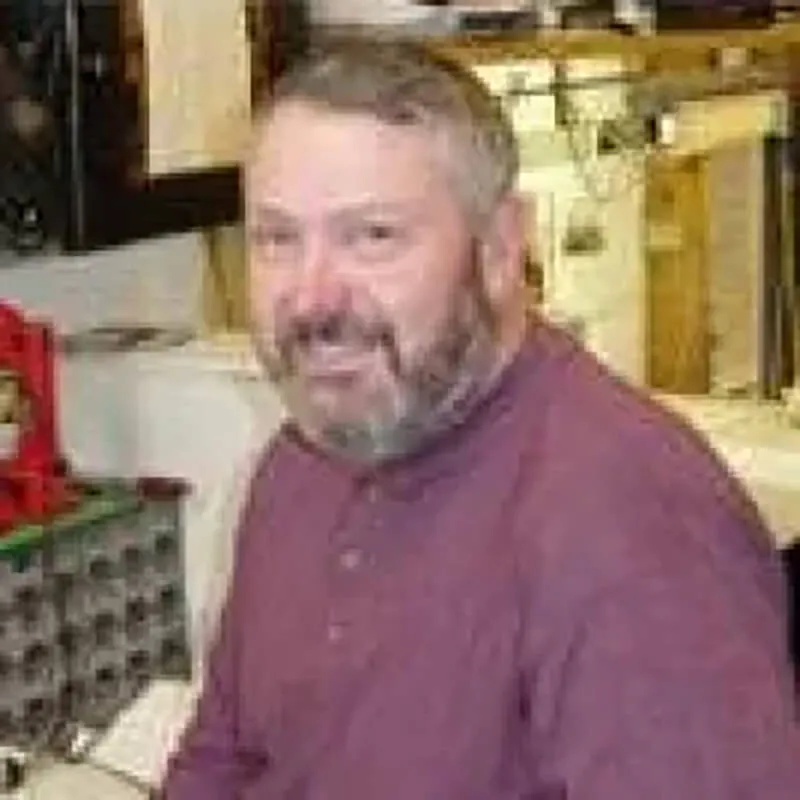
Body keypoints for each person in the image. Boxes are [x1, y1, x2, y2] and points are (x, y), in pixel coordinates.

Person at [160, 36, 800, 799]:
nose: (312, 299)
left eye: (373, 236)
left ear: (498, 248)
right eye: (276, 239)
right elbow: (220, 759)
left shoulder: (631, 534)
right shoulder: (305, 460)